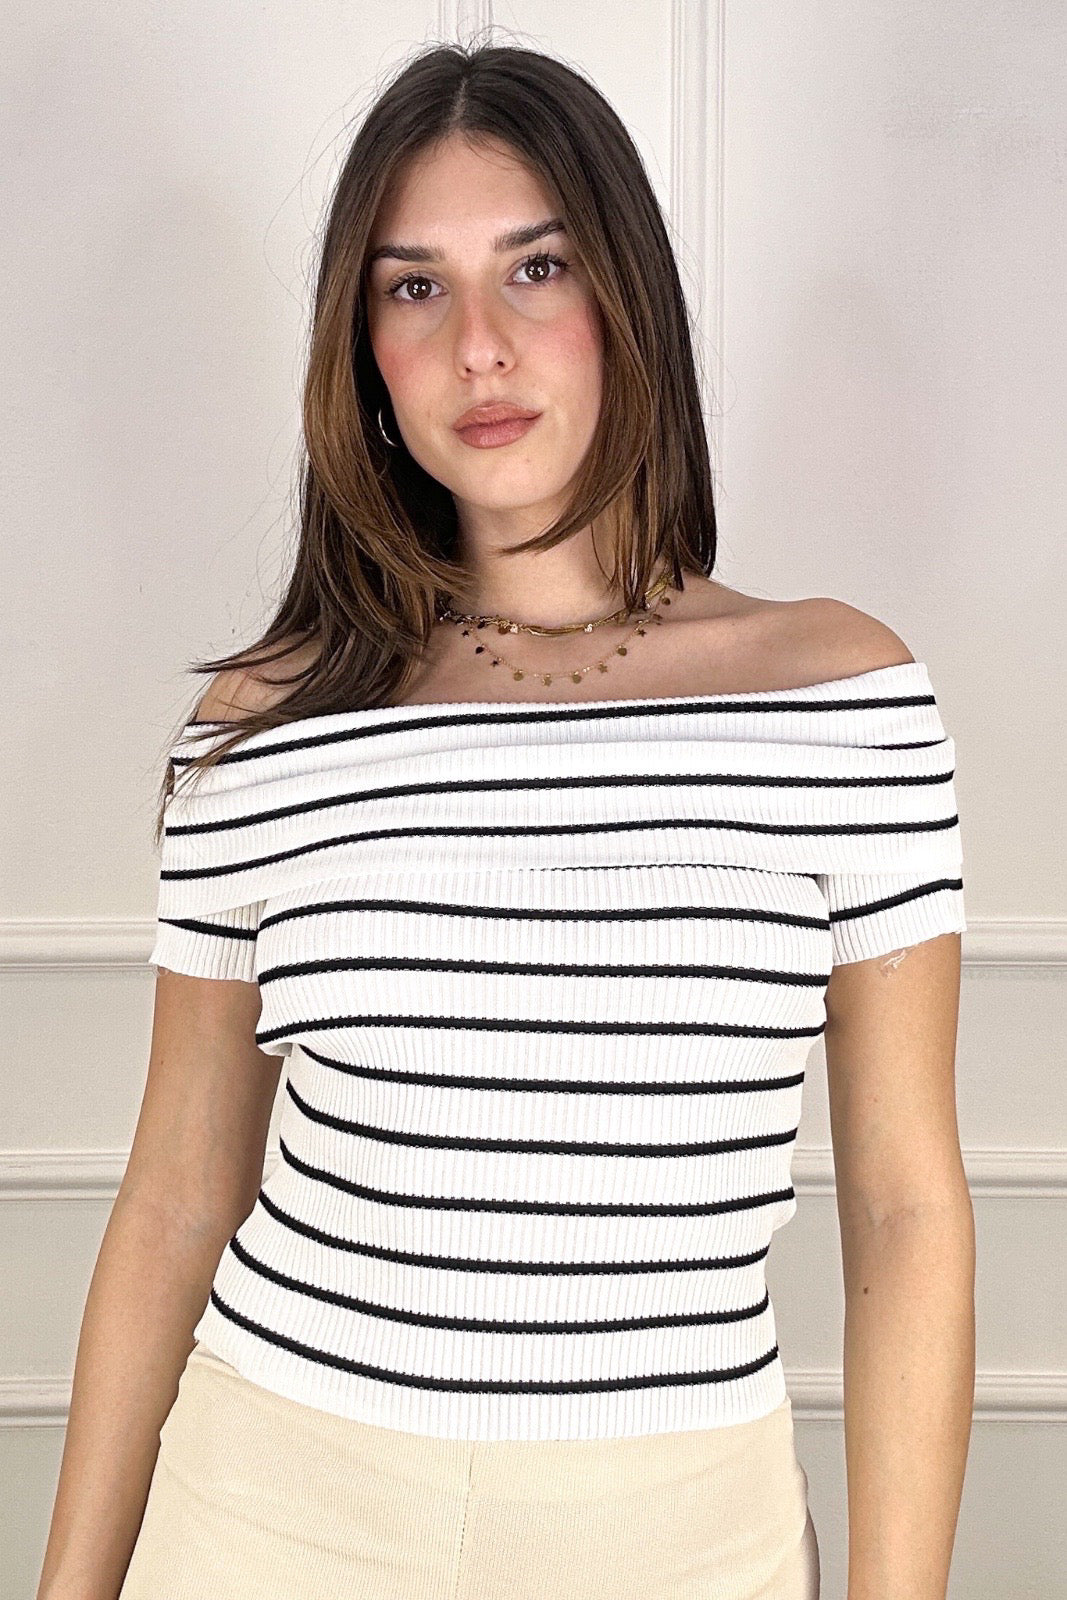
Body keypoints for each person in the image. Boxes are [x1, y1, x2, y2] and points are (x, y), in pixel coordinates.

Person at [38, 39, 975, 1600]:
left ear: (626, 297)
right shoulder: (266, 725)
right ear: (363, 352)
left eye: (536, 268)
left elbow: (904, 1208)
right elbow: (177, 1199)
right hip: (271, 1510)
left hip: (681, 1537)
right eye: (414, 288)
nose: (479, 346)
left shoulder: (841, 698)